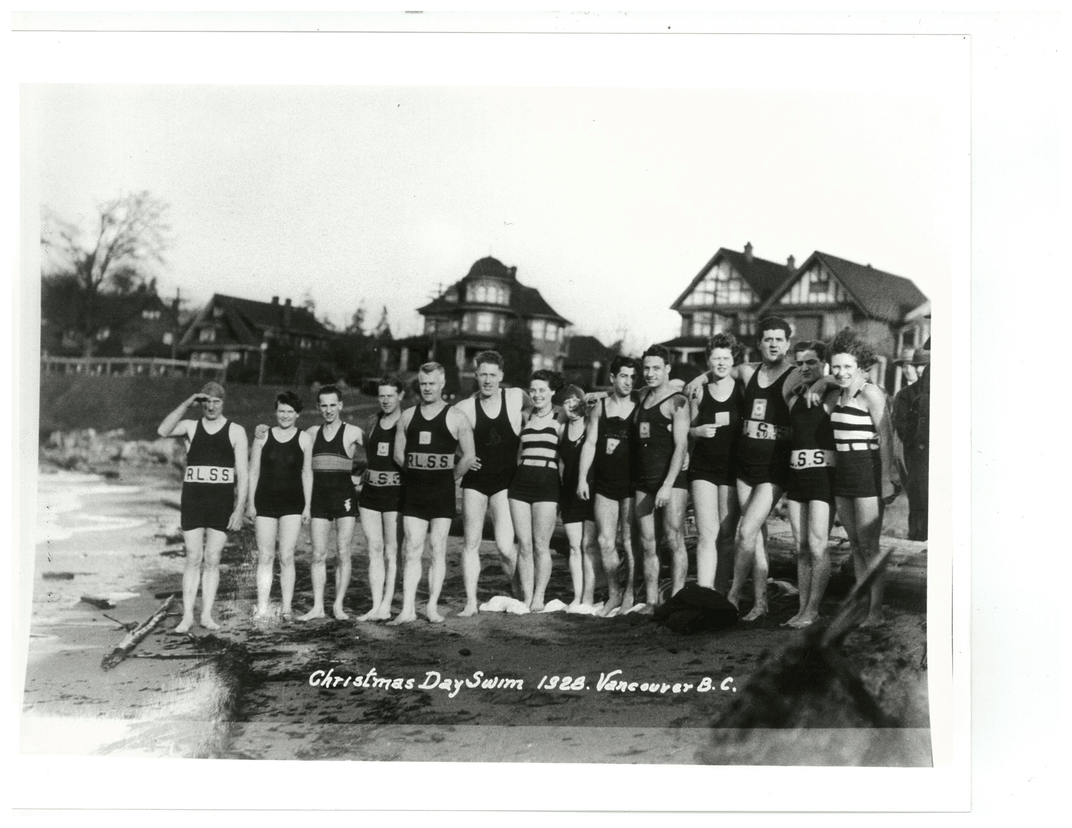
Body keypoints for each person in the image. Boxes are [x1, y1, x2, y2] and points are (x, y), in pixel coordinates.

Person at [724, 318, 804, 621]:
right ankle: (760, 602)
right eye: (767, 339)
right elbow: (718, 371)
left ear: (787, 343)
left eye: (778, 340)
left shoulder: (795, 375)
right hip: (746, 464)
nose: (773, 344)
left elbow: (822, 378)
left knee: (745, 532)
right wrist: (688, 382)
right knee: (754, 536)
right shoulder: (747, 371)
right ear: (759, 343)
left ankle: (734, 595)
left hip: (774, 468)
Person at [157, 382, 249, 633]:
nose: (211, 406)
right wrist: (187, 403)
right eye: (206, 401)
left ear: (223, 402)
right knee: (193, 557)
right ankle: (187, 616)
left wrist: (239, 509)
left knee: (212, 559)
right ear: (201, 403)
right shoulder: (190, 427)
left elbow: (243, 473)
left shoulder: (236, 431)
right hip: (194, 500)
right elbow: (163, 430)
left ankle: (206, 615)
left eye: (216, 401)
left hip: (220, 502)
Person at [389, 362, 476, 624]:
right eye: (423, 384)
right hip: (415, 492)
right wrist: (418, 473)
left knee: (438, 549)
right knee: (412, 549)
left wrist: (450, 477)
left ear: (442, 384)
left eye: (432, 384)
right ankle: (407, 609)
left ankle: (432, 607)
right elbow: (398, 454)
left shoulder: (456, 417)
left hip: (442, 493)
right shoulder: (407, 416)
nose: (427, 389)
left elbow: (469, 456)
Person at [826, 328, 900, 627]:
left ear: (859, 366)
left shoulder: (870, 392)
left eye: (847, 366)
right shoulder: (837, 392)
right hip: (843, 468)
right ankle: (863, 606)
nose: (841, 372)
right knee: (855, 543)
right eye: (837, 367)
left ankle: (876, 612)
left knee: (869, 545)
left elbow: (886, 437)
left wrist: (885, 479)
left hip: (866, 469)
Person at [453, 351, 529, 616]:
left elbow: (539, 407)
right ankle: (471, 602)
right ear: (475, 375)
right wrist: (462, 459)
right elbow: (444, 434)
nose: (487, 380)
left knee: (506, 547)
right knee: (470, 543)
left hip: (505, 483)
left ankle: (520, 593)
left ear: (501, 377)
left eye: (492, 375)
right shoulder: (464, 407)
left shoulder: (515, 397)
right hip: (475, 482)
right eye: (482, 374)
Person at [577, 355, 639, 616]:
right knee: (605, 541)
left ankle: (630, 593)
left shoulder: (640, 401)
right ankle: (614, 593)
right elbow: (590, 443)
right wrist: (582, 477)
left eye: (632, 376)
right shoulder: (600, 407)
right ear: (613, 377)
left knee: (628, 540)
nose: (628, 381)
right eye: (623, 375)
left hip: (632, 482)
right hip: (604, 481)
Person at [782, 341, 838, 628]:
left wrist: (824, 380)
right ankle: (802, 608)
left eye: (812, 362)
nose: (805, 367)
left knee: (818, 546)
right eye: (801, 362)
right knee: (801, 547)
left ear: (823, 363)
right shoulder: (793, 397)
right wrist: (810, 380)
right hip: (796, 478)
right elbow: (789, 378)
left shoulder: (831, 394)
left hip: (821, 478)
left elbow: (840, 379)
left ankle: (813, 610)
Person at [298, 385, 364, 622]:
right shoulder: (312, 433)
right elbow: (287, 440)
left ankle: (338, 605)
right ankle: (317, 607)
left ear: (340, 406)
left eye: (332, 405)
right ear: (318, 407)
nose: (328, 410)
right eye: (323, 406)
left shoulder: (353, 431)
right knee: (318, 554)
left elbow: (380, 452)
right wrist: (264, 431)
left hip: (344, 497)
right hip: (319, 499)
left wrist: (361, 478)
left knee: (343, 552)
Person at [633, 344, 690, 610]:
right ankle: (652, 600)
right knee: (647, 543)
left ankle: (678, 599)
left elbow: (681, 446)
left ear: (667, 368)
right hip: (643, 479)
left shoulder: (677, 401)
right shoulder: (643, 396)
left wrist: (667, 485)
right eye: (646, 368)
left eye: (657, 368)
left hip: (672, 481)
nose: (651, 373)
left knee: (673, 539)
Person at [687, 333, 745, 596]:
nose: (721, 363)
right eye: (715, 358)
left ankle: (720, 593)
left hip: (732, 469)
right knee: (705, 533)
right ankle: (704, 591)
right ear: (708, 361)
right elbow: (688, 429)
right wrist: (697, 432)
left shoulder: (742, 389)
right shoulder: (700, 391)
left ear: (733, 359)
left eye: (725, 358)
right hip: (704, 468)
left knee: (726, 535)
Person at [247, 391, 313, 622]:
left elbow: (307, 473)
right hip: (264, 502)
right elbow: (253, 470)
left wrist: (307, 507)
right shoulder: (262, 436)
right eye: (281, 411)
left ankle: (286, 608)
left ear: (297, 414)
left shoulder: (304, 439)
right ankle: (263, 607)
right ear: (276, 412)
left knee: (286, 556)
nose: (285, 416)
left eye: (290, 412)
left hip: (293, 505)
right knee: (265, 557)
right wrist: (250, 503)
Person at [507, 370, 565, 611]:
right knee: (524, 545)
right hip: (521, 483)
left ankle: (539, 597)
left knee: (542, 545)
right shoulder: (524, 416)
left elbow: (565, 458)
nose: (537, 395)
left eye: (542, 390)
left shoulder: (561, 417)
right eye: (533, 390)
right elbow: (517, 452)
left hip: (547, 481)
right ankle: (527, 596)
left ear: (552, 391)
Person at [356, 377, 406, 621]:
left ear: (401, 396)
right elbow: (369, 454)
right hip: (371, 494)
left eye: (390, 395)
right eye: (382, 396)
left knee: (391, 552)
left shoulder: (407, 421)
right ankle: (375, 606)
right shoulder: (372, 421)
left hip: (395, 495)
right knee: (374, 549)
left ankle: (387, 604)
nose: (385, 400)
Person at [558, 384, 602, 609]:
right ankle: (577, 596)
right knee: (575, 547)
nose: (573, 406)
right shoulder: (560, 430)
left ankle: (589, 596)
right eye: (568, 402)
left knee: (589, 546)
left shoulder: (593, 425)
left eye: (577, 401)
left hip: (593, 491)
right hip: (569, 493)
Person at [892, 340, 930, 541]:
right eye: (919, 367)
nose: (922, 371)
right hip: (916, 454)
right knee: (918, 501)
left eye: (926, 366)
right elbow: (903, 426)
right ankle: (916, 537)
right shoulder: (907, 395)